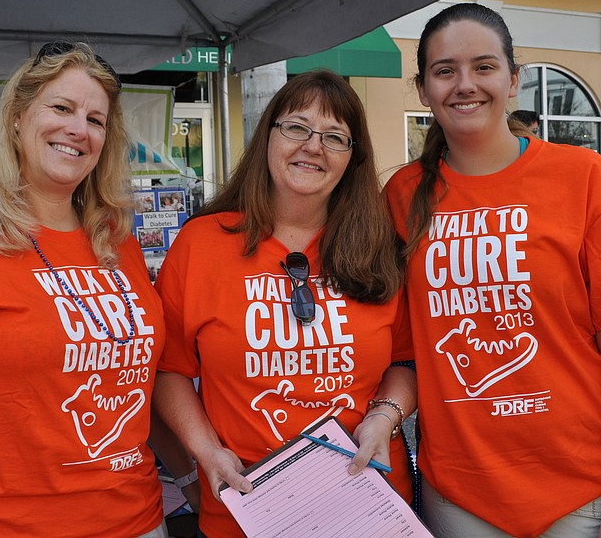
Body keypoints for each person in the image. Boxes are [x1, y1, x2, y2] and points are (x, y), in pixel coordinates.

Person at [0, 41, 192, 537]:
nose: (79, 129)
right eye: (61, 107)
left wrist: (190, 476)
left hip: (138, 522)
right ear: (15, 117)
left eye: (96, 120)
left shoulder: (118, 245)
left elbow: (142, 387)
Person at [383, 3, 601, 538]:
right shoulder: (400, 197)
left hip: (581, 494)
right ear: (423, 90)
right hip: (461, 497)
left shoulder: (582, 177)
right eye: (445, 71)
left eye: (483, 67)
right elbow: (397, 345)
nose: (465, 84)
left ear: (514, 79)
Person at [152, 70, 417, 537]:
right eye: (297, 127)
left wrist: (384, 417)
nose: (313, 146)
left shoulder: (378, 245)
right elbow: (168, 368)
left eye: (335, 136)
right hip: (251, 504)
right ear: (268, 135)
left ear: (352, 159)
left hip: (367, 502)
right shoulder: (202, 244)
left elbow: (406, 360)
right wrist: (205, 450)